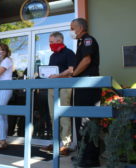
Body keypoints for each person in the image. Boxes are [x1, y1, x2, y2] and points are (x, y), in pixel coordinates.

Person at [70, 18, 101, 167]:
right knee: (80, 121)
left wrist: (75, 73)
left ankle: (89, 158)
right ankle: (83, 154)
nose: (71, 31)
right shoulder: (81, 42)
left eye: (72, 28)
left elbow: (87, 60)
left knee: (85, 121)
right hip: (83, 85)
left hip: (88, 85)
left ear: (81, 28)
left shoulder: (88, 40)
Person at [40, 32, 76, 156]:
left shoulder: (69, 53)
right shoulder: (52, 56)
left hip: (64, 86)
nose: (50, 44)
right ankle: (56, 142)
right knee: (53, 115)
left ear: (59, 40)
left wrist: (58, 75)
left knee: (64, 115)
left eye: (51, 42)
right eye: (49, 42)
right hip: (52, 87)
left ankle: (65, 145)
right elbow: (51, 71)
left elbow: (71, 70)